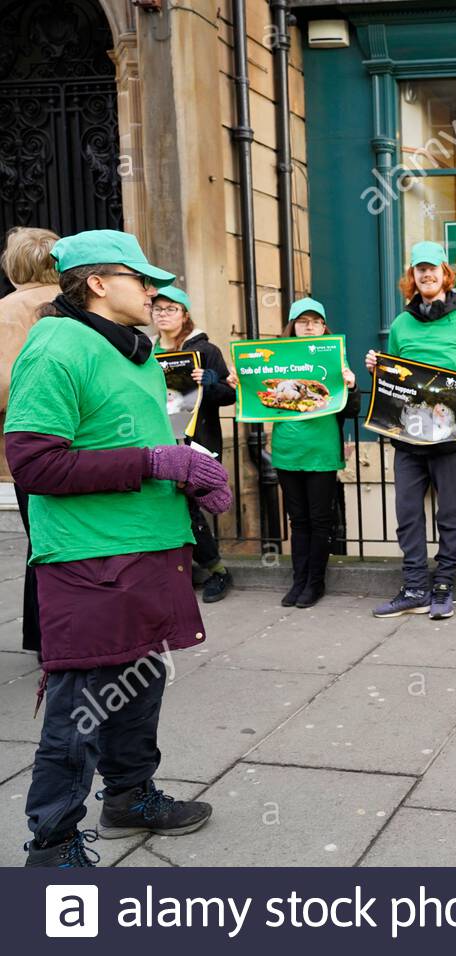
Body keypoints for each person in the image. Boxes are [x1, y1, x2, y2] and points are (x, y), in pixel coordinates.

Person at [4, 230, 224, 867]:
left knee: (141, 676)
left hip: (148, 547)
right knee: (81, 700)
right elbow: (36, 464)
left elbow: (131, 443)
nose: (153, 291)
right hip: (88, 555)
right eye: (140, 279)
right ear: (98, 283)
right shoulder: (55, 346)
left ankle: (129, 795)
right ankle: (51, 842)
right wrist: (157, 462)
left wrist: (187, 477)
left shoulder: (135, 353)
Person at [367, 241, 456, 620]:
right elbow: (394, 376)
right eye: (418, 269)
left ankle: (443, 585)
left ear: (445, 274)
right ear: (411, 277)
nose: (426, 275)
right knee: (408, 511)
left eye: (432, 269)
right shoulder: (400, 324)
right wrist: (375, 368)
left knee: (450, 512)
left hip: (452, 435)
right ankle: (414, 587)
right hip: (409, 434)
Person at [269, 297, 360, 608]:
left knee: (320, 520)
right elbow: (258, 398)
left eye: (315, 321)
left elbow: (352, 409)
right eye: (302, 321)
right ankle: (299, 581)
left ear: (324, 327)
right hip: (286, 450)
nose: (308, 326)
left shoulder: (336, 360)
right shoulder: (275, 360)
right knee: (299, 520)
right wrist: (240, 381)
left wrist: (351, 384)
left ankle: (315, 583)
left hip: (321, 451)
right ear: (292, 327)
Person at [151, 284, 237, 602]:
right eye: (158, 309)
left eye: (170, 309)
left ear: (184, 314)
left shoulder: (206, 350)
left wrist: (211, 384)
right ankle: (189, 571)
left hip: (197, 441)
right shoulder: (145, 349)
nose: (163, 315)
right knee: (170, 507)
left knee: (189, 507)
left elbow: (230, 394)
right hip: (160, 439)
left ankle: (216, 571)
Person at [0, 226, 60, 660]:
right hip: (79, 440)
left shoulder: (7, 310)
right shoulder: (75, 303)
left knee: (41, 540)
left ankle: (45, 638)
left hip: (28, 442)